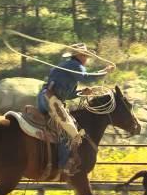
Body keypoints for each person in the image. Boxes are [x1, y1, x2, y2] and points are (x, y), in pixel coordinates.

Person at [37, 43, 115, 176]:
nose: (86, 59)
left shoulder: (66, 66)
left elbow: (69, 94)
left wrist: (82, 92)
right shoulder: (75, 66)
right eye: (85, 56)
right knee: (72, 131)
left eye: (86, 56)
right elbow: (87, 77)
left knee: (61, 128)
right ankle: (64, 165)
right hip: (52, 100)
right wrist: (105, 71)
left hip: (44, 98)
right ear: (79, 56)